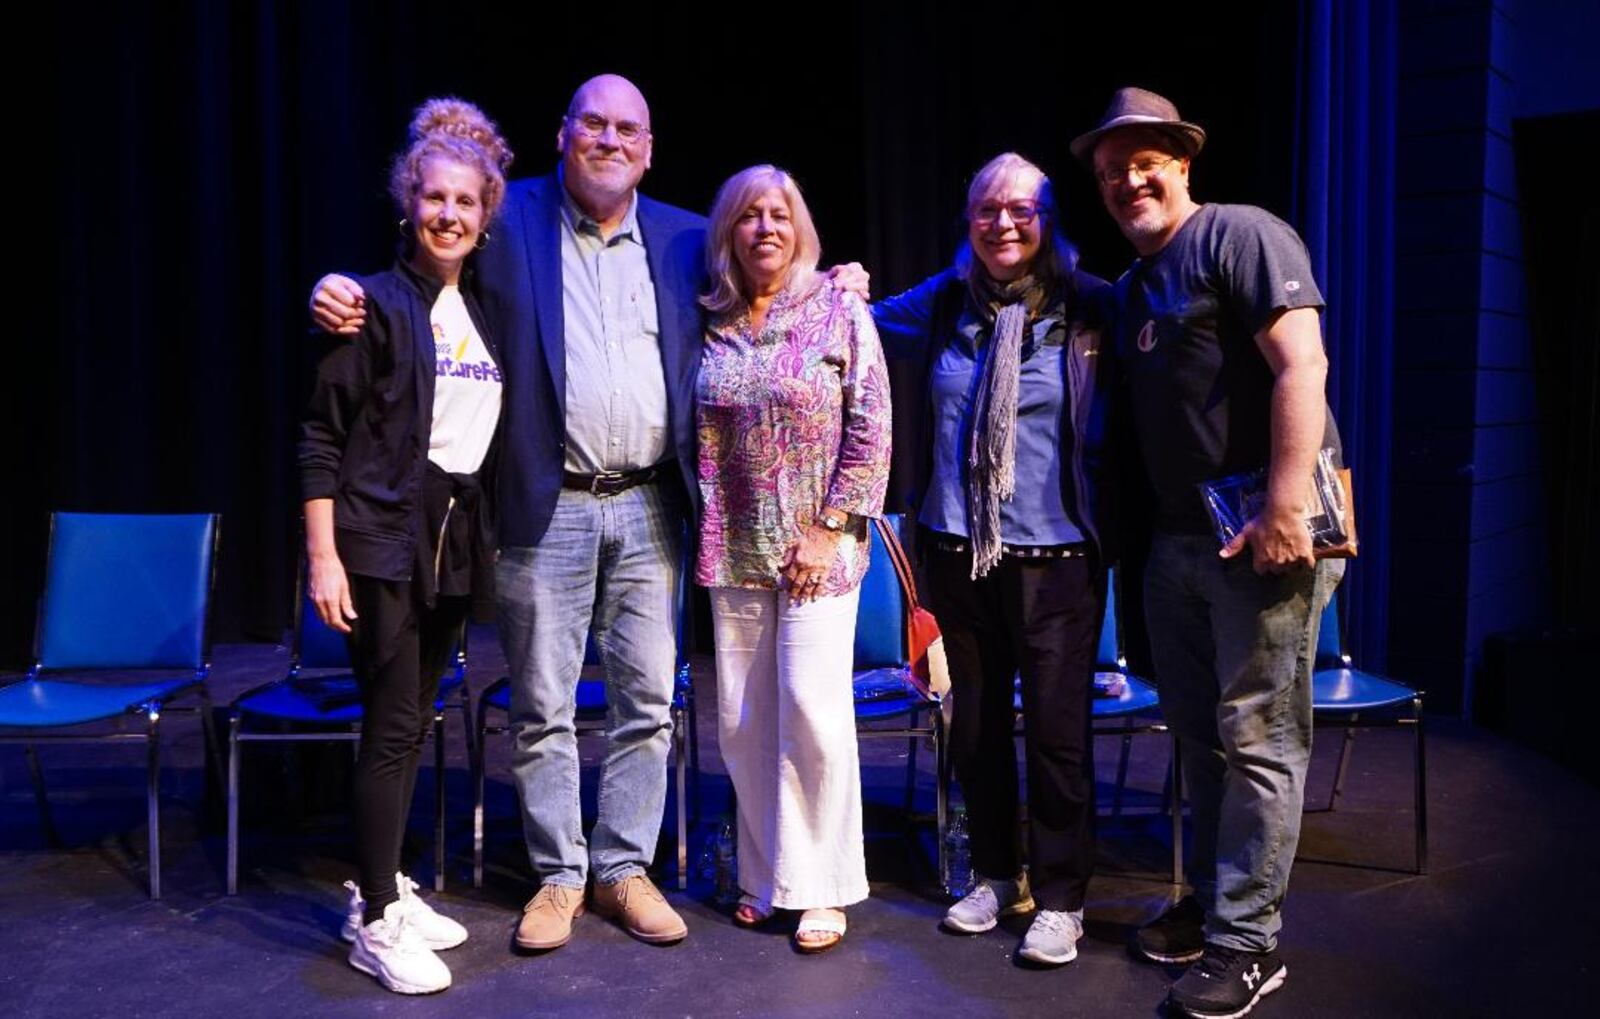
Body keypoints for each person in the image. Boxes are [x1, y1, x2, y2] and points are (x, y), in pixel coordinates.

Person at [309, 75, 871, 953]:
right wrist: (339, 287)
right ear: (565, 134)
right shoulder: (509, 220)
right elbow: (425, 261)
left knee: (650, 700)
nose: (610, 140)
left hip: (653, 503)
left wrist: (836, 282)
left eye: (629, 129)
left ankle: (623, 868)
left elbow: (775, 290)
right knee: (543, 706)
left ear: (649, 148)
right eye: (594, 124)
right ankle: (558, 876)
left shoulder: (691, 238)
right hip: (547, 502)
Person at [1071, 87, 1346, 1018]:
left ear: (1182, 161)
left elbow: (1302, 364)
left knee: (1260, 738)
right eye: (1111, 173)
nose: (1127, 181)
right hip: (1184, 538)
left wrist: (1282, 504)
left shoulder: (1240, 234)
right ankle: (1215, 905)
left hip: (1263, 529)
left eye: (1145, 162)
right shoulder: (1137, 283)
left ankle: (1248, 944)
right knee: (1200, 738)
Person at [872, 153, 1113, 967]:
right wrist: (830, 283)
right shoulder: (943, 303)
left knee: (1055, 734)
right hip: (956, 550)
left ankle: (1062, 896)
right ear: (967, 221)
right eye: (986, 210)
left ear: (1047, 219)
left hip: (1060, 558)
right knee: (971, 726)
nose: (1003, 224)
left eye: (1021, 209)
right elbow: (855, 327)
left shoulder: (1090, 307)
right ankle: (993, 872)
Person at [299, 97, 512, 994]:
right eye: (435, 198)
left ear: (485, 214)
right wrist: (323, 555)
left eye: (466, 202)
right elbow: (321, 435)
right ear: (408, 202)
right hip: (381, 538)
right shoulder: (373, 306)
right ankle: (375, 917)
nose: (449, 215)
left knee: (417, 719)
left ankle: (388, 884)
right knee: (390, 728)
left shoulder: (490, 311)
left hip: (455, 539)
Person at [694, 165, 891, 953]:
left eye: (779, 214)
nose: (765, 228)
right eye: (749, 216)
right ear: (729, 233)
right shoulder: (707, 317)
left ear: (799, 228)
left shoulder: (840, 308)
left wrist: (833, 523)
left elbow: (872, 422)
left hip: (820, 544)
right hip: (732, 543)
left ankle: (822, 886)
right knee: (744, 721)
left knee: (812, 709)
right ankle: (765, 873)